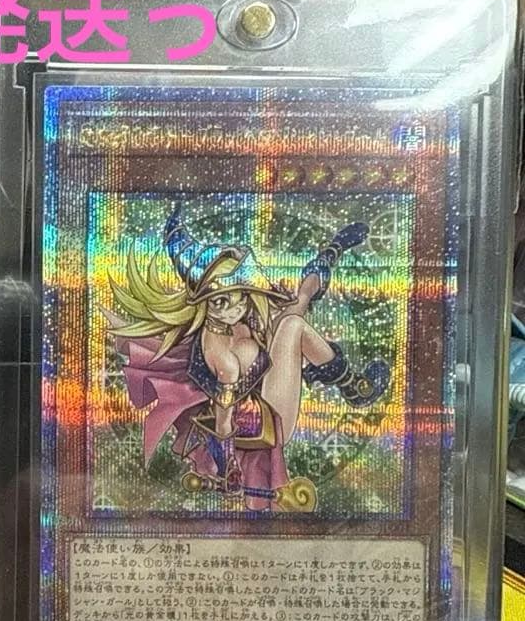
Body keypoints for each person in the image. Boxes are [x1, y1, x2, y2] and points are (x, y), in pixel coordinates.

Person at [105, 205, 389, 513]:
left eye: (237, 297)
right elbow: (224, 422)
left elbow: (268, 315)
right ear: (204, 301)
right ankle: (354, 386)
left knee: (298, 304)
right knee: (293, 324)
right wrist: (228, 467)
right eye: (219, 302)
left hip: (265, 387)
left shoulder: (242, 318)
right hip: (265, 424)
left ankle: (331, 252)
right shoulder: (221, 356)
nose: (232, 309)